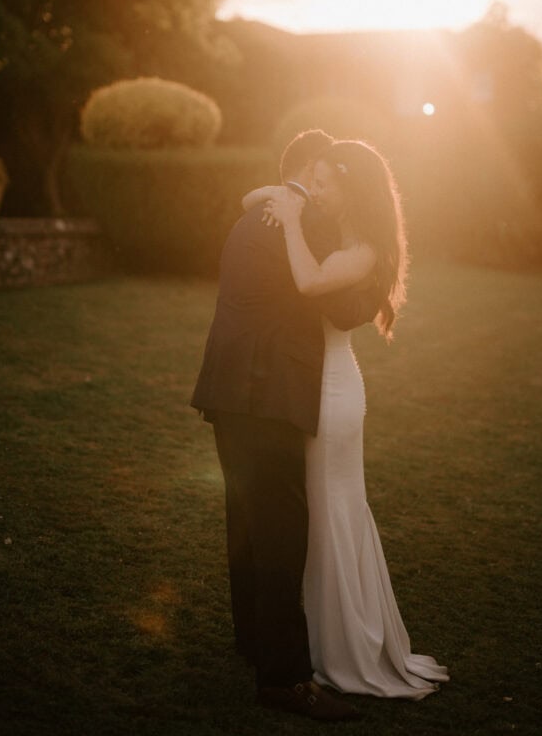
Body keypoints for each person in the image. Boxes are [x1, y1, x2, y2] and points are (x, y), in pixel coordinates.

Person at [190, 130, 377, 722]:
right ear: (306, 167)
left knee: (245, 523)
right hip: (267, 395)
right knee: (280, 534)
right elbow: (347, 308)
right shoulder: (300, 221)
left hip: (227, 390)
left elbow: (255, 199)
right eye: (323, 175)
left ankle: (253, 642)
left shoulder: (258, 215)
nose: (328, 188)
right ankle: (285, 680)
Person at [259, 139, 449, 699]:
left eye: (323, 183)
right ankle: (325, 639)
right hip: (320, 383)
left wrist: (291, 219)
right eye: (311, 182)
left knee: (333, 514)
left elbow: (310, 283)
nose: (313, 191)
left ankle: (347, 649)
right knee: (322, 517)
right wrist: (285, 197)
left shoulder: (364, 248)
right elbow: (253, 196)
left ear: (351, 188)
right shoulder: (336, 229)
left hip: (333, 392)